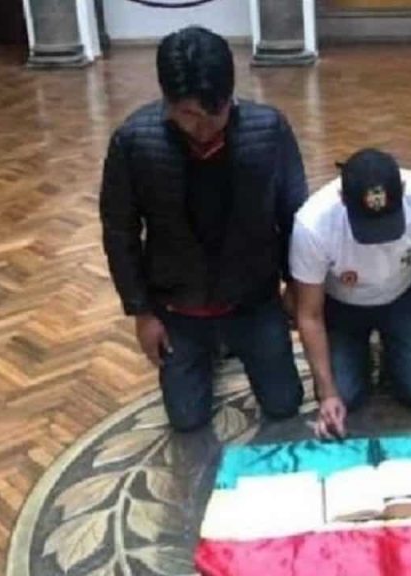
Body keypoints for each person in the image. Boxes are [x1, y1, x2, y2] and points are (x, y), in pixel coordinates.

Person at [99, 27, 306, 432]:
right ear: (168, 102)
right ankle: (209, 352)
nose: (204, 126)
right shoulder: (133, 142)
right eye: (190, 114)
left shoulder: (269, 130)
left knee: (285, 404)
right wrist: (142, 313)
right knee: (187, 419)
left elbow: (294, 214)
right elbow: (119, 232)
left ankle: (229, 347)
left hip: (254, 301)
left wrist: (296, 285)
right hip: (180, 309)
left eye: (217, 112)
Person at [291, 149, 411, 438]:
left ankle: (392, 349)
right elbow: (309, 314)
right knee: (345, 397)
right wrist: (328, 392)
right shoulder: (313, 224)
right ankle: (365, 350)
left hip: (403, 294)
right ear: (342, 199)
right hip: (342, 304)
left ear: (404, 190)